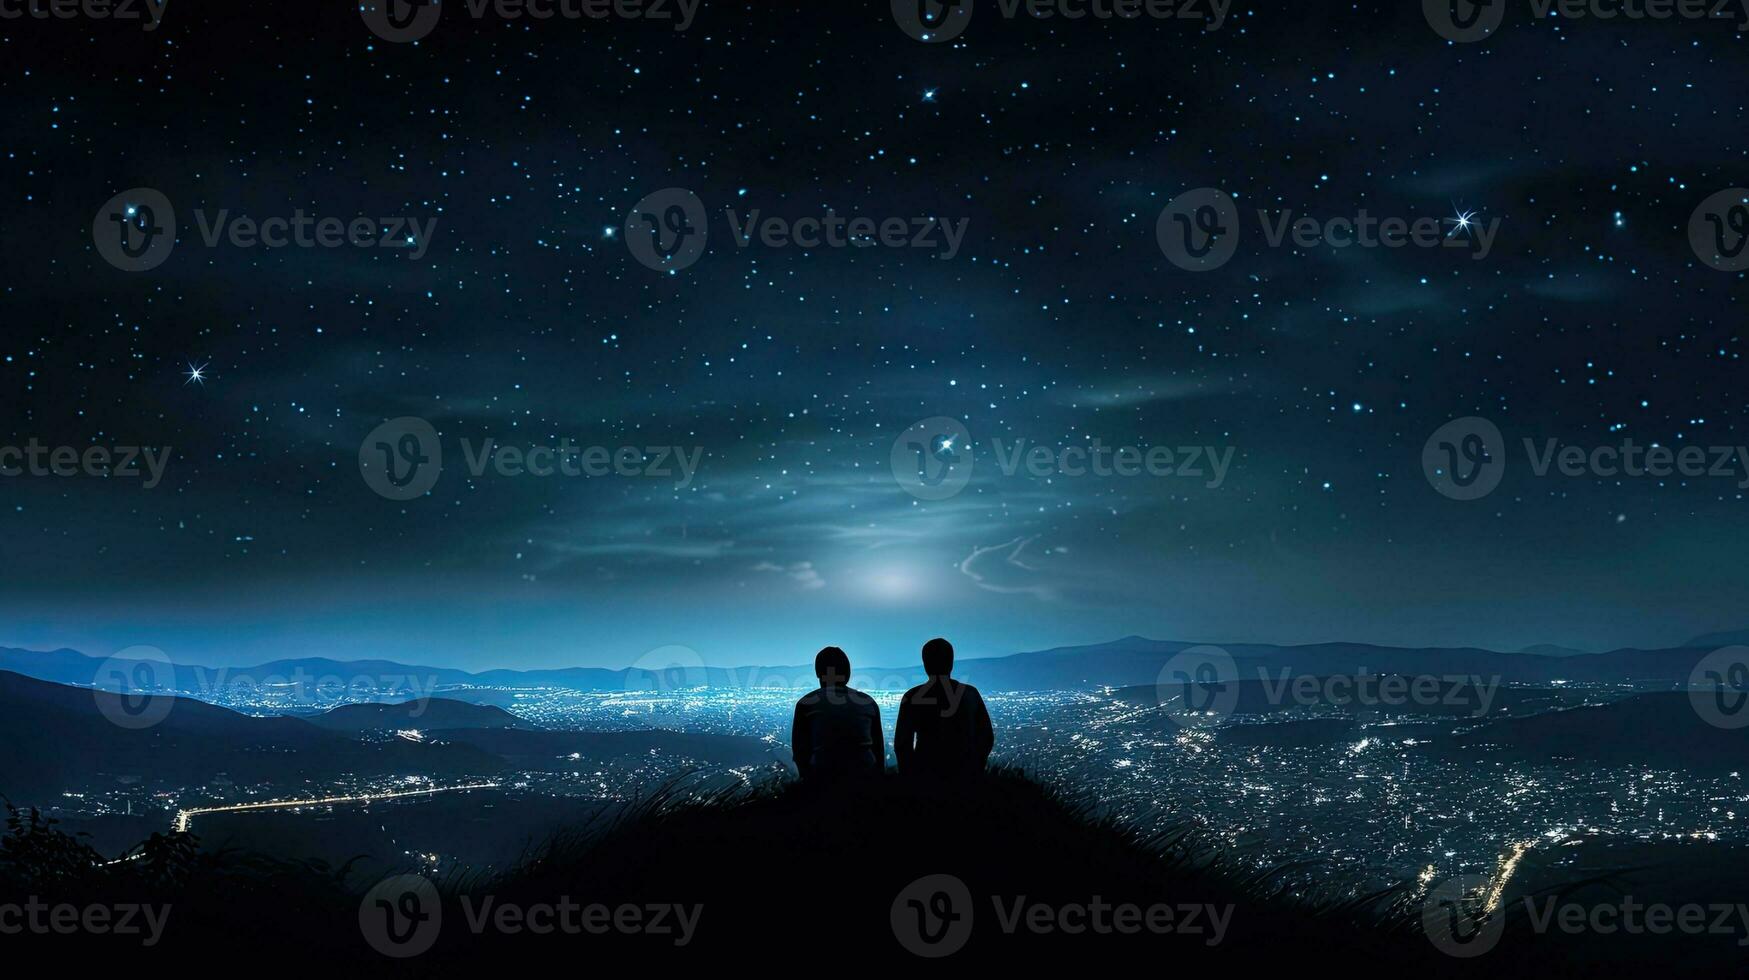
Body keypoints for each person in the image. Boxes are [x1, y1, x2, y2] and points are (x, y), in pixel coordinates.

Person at [894, 637, 994, 780]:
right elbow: (986, 737)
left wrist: (909, 776)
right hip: (965, 774)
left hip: (925, 773)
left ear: (925, 664)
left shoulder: (912, 697)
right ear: (951, 662)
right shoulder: (970, 694)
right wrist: (976, 768)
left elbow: (902, 744)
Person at [790, 646, 884, 782]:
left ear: (818, 673)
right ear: (848, 673)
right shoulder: (867, 702)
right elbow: (878, 750)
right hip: (865, 780)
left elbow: (800, 753)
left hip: (822, 781)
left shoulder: (806, 703)